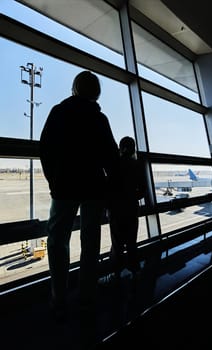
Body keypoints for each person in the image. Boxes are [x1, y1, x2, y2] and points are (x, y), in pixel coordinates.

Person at [39, 70, 120, 320]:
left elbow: (45, 148)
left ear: (73, 89)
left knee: (57, 241)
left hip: (64, 187)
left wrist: (55, 179)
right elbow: (111, 158)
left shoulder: (58, 112)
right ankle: (87, 296)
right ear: (96, 93)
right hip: (94, 189)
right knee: (90, 242)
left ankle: (59, 297)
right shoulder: (100, 119)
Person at [108, 136, 146, 278]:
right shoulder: (137, 165)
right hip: (131, 208)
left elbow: (109, 187)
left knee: (117, 243)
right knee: (131, 241)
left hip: (116, 209)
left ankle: (115, 274)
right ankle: (135, 270)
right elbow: (143, 190)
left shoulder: (114, 164)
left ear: (121, 148)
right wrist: (131, 197)